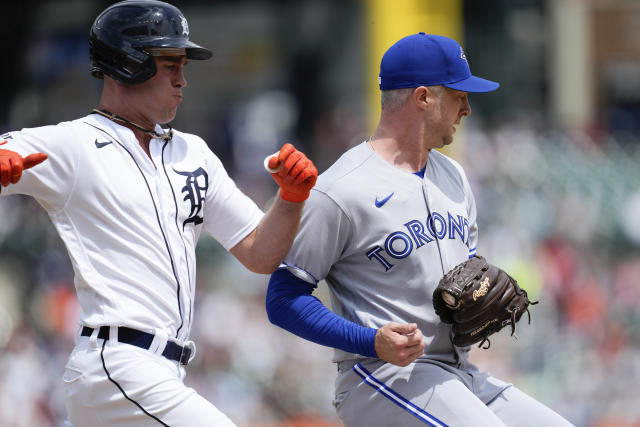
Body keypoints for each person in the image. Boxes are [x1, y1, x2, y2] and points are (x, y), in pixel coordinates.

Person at [0, 1, 317, 426]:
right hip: (117, 363)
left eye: (182, 64)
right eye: (170, 63)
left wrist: (291, 198)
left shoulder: (194, 153)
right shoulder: (74, 145)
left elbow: (260, 253)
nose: (182, 79)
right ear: (129, 62)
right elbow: (8, 151)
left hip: (164, 371)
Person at [266, 32, 573, 427]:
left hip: (457, 374)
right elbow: (283, 298)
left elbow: (462, 277)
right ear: (424, 97)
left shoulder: (454, 176)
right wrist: (369, 340)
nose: (467, 108)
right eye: (458, 95)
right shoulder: (341, 188)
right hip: (380, 376)